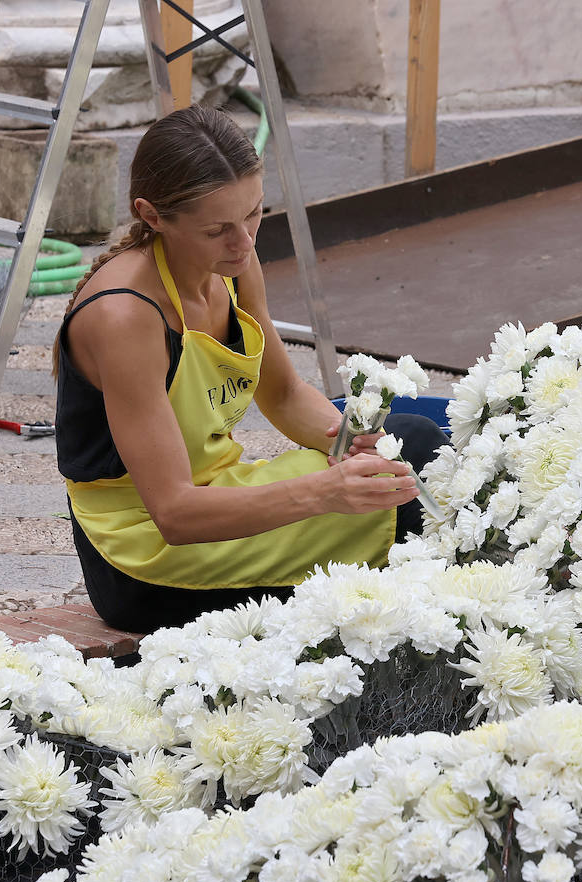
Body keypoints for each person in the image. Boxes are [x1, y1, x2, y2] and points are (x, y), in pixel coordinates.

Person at [53, 106, 447, 633]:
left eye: (255, 214)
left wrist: (352, 442)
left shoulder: (231, 264)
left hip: (218, 497)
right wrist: (326, 493)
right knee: (413, 509)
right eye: (218, 229)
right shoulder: (124, 316)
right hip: (145, 556)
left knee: (409, 442)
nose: (244, 242)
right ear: (151, 216)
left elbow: (283, 397)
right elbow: (173, 513)